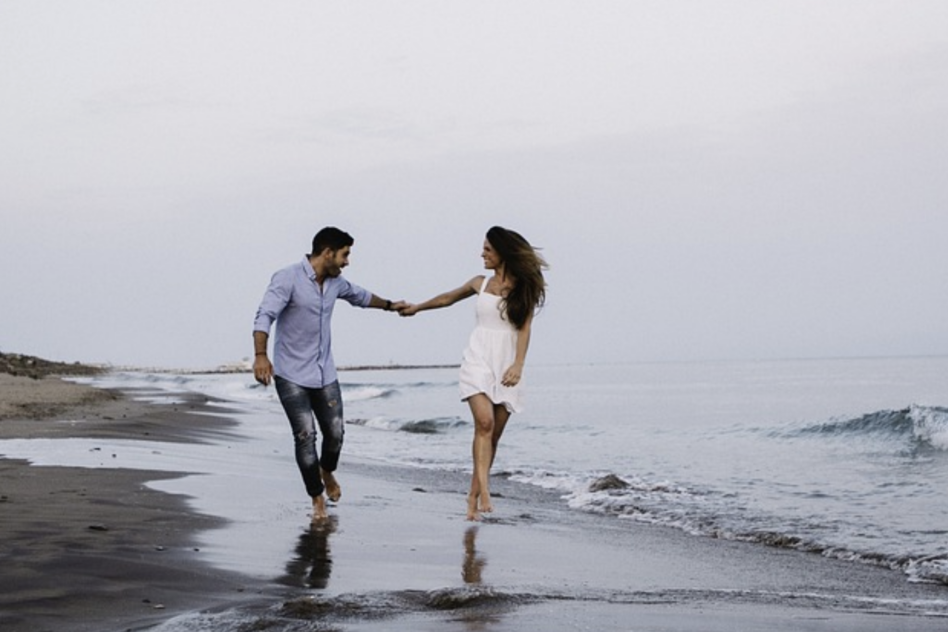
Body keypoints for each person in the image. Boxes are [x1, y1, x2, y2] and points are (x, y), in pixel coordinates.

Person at [253, 226, 406, 522]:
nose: (347, 261)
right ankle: (316, 498)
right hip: (291, 375)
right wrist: (261, 355)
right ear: (327, 253)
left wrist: (390, 305)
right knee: (305, 436)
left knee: (335, 434)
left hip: (325, 373)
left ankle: (327, 471)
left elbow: (360, 296)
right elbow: (264, 315)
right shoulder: (287, 278)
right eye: (345, 254)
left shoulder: (336, 282)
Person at [399, 226, 548, 520]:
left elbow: (525, 329)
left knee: (492, 438)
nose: (482, 254)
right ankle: (486, 490)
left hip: (506, 364)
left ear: (503, 253)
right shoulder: (480, 283)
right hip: (477, 358)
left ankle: (472, 497)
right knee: (484, 422)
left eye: (488, 250)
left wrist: (517, 365)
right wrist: (417, 307)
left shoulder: (524, 288)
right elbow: (447, 298)